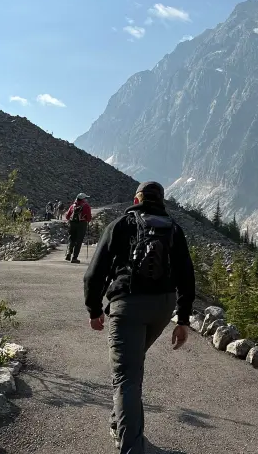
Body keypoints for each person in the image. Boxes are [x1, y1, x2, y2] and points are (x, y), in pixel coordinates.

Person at [83, 181, 195, 454]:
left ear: (137, 200)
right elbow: (187, 277)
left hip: (128, 305)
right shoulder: (174, 229)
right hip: (162, 308)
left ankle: (132, 448)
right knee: (133, 366)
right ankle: (119, 422)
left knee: (126, 377)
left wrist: (95, 310)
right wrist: (182, 320)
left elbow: (93, 274)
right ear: (162, 201)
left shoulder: (121, 225)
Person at [64, 193, 92, 263]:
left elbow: (67, 216)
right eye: (85, 198)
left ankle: (68, 253)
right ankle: (74, 258)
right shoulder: (86, 206)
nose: (86, 199)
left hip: (72, 223)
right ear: (83, 199)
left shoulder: (73, 206)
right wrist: (87, 220)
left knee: (71, 239)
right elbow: (88, 218)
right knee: (78, 241)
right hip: (82, 224)